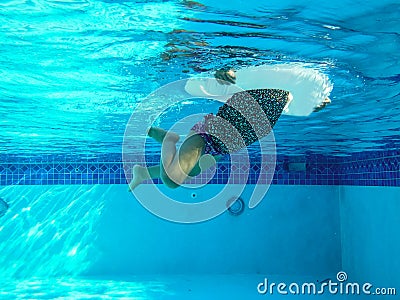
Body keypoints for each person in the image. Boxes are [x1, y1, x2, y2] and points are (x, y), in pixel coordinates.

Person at [128, 68, 331, 191]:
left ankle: (144, 172)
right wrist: (224, 75)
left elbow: (293, 104)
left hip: (220, 148)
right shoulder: (264, 86)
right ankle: (169, 139)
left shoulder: (282, 102)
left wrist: (311, 103)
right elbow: (229, 81)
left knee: (186, 172)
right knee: (172, 180)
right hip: (207, 136)